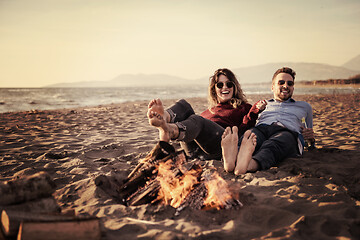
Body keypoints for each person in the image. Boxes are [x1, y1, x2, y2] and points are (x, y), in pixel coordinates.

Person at [147, 68, 267, 171]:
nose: (225, 87)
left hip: (220, 146)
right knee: (184, 105)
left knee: (197, 120)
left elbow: (245, 129)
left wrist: (255, 111)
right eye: (220, 85)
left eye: (229, 84)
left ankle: (169, 130)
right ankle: (164, 119)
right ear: (214, 89)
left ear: (234, 87)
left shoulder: (243, 107)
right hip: (194, 151)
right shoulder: (211, 110)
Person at [221, 67, 315, 175]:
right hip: (261, 129)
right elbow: (248, 121)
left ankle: (249, 165)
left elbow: (310, 142)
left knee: (272, 145)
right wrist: (257, 110)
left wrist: (310, 139)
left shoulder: (304, 107)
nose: (286, 86)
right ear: (272, 87)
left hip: (287, 132)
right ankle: (232, 160)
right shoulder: (263, 104)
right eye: (281, 82)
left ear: (293, 88)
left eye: (290, 83)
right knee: (250, 137)